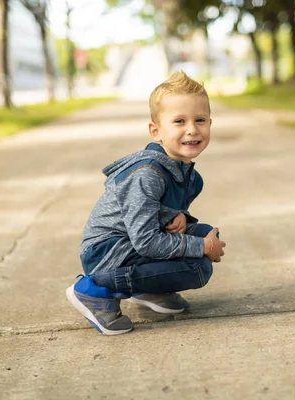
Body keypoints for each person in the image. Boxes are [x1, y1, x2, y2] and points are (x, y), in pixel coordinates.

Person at [66, 70, 226, 335]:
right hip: (108, 252)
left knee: (200, 230)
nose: (192, 130)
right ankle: (94, 290)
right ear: (156, 131)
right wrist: (202, 247)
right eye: (179, 121)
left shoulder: (190, 177)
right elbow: (146, 241)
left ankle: (150, 290)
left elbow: (165, 212)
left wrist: (183, 217)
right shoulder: (147, 175)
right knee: (197, 266)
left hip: (132, 245)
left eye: (200, 120)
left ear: (210, 122)